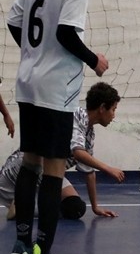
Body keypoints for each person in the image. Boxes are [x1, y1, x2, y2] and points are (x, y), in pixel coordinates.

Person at [6, 0, 109, 254]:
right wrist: (94, 60)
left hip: (28, 82)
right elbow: (66, 32)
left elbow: (14, 21)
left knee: (30, 161)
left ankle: (21, 242)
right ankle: (42, 253)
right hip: (55, 90)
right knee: (53, 169)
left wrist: (34, 54)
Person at [1, 81, 123, 222]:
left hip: (48, 171)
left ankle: (22, 206)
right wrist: (108, 169)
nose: (114, 115)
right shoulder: (75, 115)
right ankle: (24, 206)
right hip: (24, 169)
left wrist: (96, 207)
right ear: (102, 108)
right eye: (113, 109)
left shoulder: (89, 133)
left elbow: (89, 172)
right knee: (51, 201)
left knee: (75, 208)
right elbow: (78, 152)